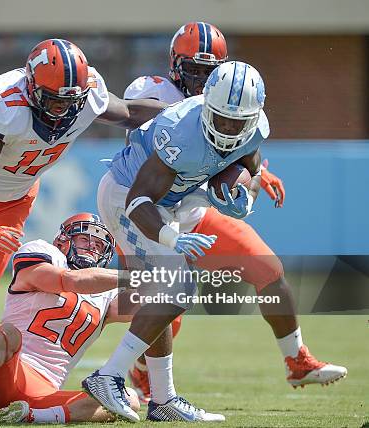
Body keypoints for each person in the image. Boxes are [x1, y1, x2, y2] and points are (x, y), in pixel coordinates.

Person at [0, 38, 168, 414]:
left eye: (71, 101)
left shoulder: (87, 97)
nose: (62, 109)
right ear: (32, 87)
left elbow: (133, 112)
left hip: (11, 199)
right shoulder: (7, 103)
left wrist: (192, 113)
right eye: (54, 100)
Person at [82, 61, 347, 422]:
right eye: (221, 119)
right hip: (127, 196)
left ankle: (163, 401)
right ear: (207, 105)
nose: (227, 128)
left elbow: (250, 168)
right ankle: (108, 376)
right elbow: (138, 202)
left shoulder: (256, 129)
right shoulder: (181, 132)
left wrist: (246, 200)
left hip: (174, 202)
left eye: (237, 123)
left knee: (172, 294)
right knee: (177, 291)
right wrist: (171, 237)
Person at [123, 21, 287, 404]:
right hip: (148, 204)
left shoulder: (226, 111)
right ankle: (120, 375)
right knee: (160, 299)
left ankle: (136, 376)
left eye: (208, 72)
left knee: (249, 267)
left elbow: (233, 145)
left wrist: (253, 171)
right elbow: (168, 134)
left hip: (192, 206)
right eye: (192, 68)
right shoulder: (155, 92)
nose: (199, 78)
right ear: (174, 64)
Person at [0, 213, 224, 423]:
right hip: (5, 373)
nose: (92, 248)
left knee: (127, 400)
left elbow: (155, 312)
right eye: (85, 239)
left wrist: (173, 285)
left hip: (43, 393)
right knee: (9, 333)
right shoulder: (42, 253)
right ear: (62, 240)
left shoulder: (106, 296)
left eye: (99, 246)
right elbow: (71, 281)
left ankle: (30, 417)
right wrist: (136, 275)